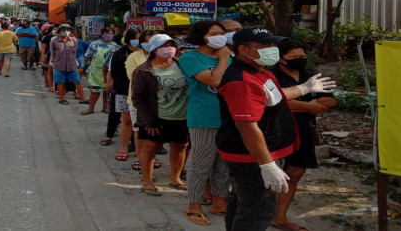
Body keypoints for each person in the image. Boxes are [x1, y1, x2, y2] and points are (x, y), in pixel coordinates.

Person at [216, 28, 336, 230]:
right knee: (257, 212)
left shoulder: (259, 72)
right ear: (245, 49)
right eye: (266, 46)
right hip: (252, 156)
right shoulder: (241, 80)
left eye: (274, 45)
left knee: (243, 201)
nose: (273, 49)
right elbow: (247, 126)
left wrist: (304, 88)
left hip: (260, 152)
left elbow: (271, 96)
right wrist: (267, 165)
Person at [269, 40, 336, 231]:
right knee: (270, 173)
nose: (300, 60)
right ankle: (256, 211)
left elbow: (329, 101)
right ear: (281, 59)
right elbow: (273, 102)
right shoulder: (270, 76)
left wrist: (295, 102)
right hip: (275, 131)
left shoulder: (311, 76)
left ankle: (279, 217)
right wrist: (308, 105)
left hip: (304, 130)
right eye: (294, 57)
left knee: (295, 173)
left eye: (302, 56)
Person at [177, 20, 232, 226]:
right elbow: (214, 81)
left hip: (228, 116)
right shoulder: (190, 57)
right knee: (201, 163)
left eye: (222, 33)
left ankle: (219, 202)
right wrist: (224, 59)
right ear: (201, 36)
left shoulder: (229, 57)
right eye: (215, 33)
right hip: (204, 116)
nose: (221, 36)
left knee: (224, 164)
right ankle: (194, 205)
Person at [132, 34, 189, 197]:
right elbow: (138, 98)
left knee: (180, 146)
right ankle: (147, 180)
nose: (169, 48)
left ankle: (176, 178)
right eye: (165, 45)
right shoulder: (143, 70)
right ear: (154, 49)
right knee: (150, 147)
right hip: (156, 117)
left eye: (172, 45)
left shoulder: (182, 65)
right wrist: (150, 120)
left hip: (182, 115)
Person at [105, 28, 139, 161]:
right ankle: (123, 148)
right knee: (126, 120)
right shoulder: (119, 54)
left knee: (141, 123)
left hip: (143, 94)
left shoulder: (147, 54)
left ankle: (140, 150)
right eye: (137, 38)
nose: (140, 41)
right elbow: (115, 74)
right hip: (123, 92)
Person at [124, 30, 156, 167]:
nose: (149, 44)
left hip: (161, 101)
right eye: (146, 41)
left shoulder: (164, 56)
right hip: (138, 100)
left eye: (152, 41)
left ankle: (150, 158)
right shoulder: (133, 57)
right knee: (139, 131)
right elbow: (134, 78)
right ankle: (140, 158)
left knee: (154, 131)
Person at [82, 28, 119, 115]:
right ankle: (91, 109)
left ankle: (105, 108)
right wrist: (96, 64)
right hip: (96, 71)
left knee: (107, 91)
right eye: (106, 33)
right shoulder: (95, 44)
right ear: (102, 34)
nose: (108, 35)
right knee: (95, 91)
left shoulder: (115, 46)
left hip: (109, 71)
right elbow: (88, 56)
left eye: (110, 33)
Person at [50, 24, 88, 105]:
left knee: (77, 81)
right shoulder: (54, 41)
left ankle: (83, 99)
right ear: (59, 31)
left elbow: (74, 52)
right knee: (60, 82)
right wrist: (55, 62)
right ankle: (62, 98)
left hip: (72, 64)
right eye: (63, 30)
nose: (66, 32)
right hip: (59, 64)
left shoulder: (74, 40)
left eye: (68, 30)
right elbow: (53, 53)